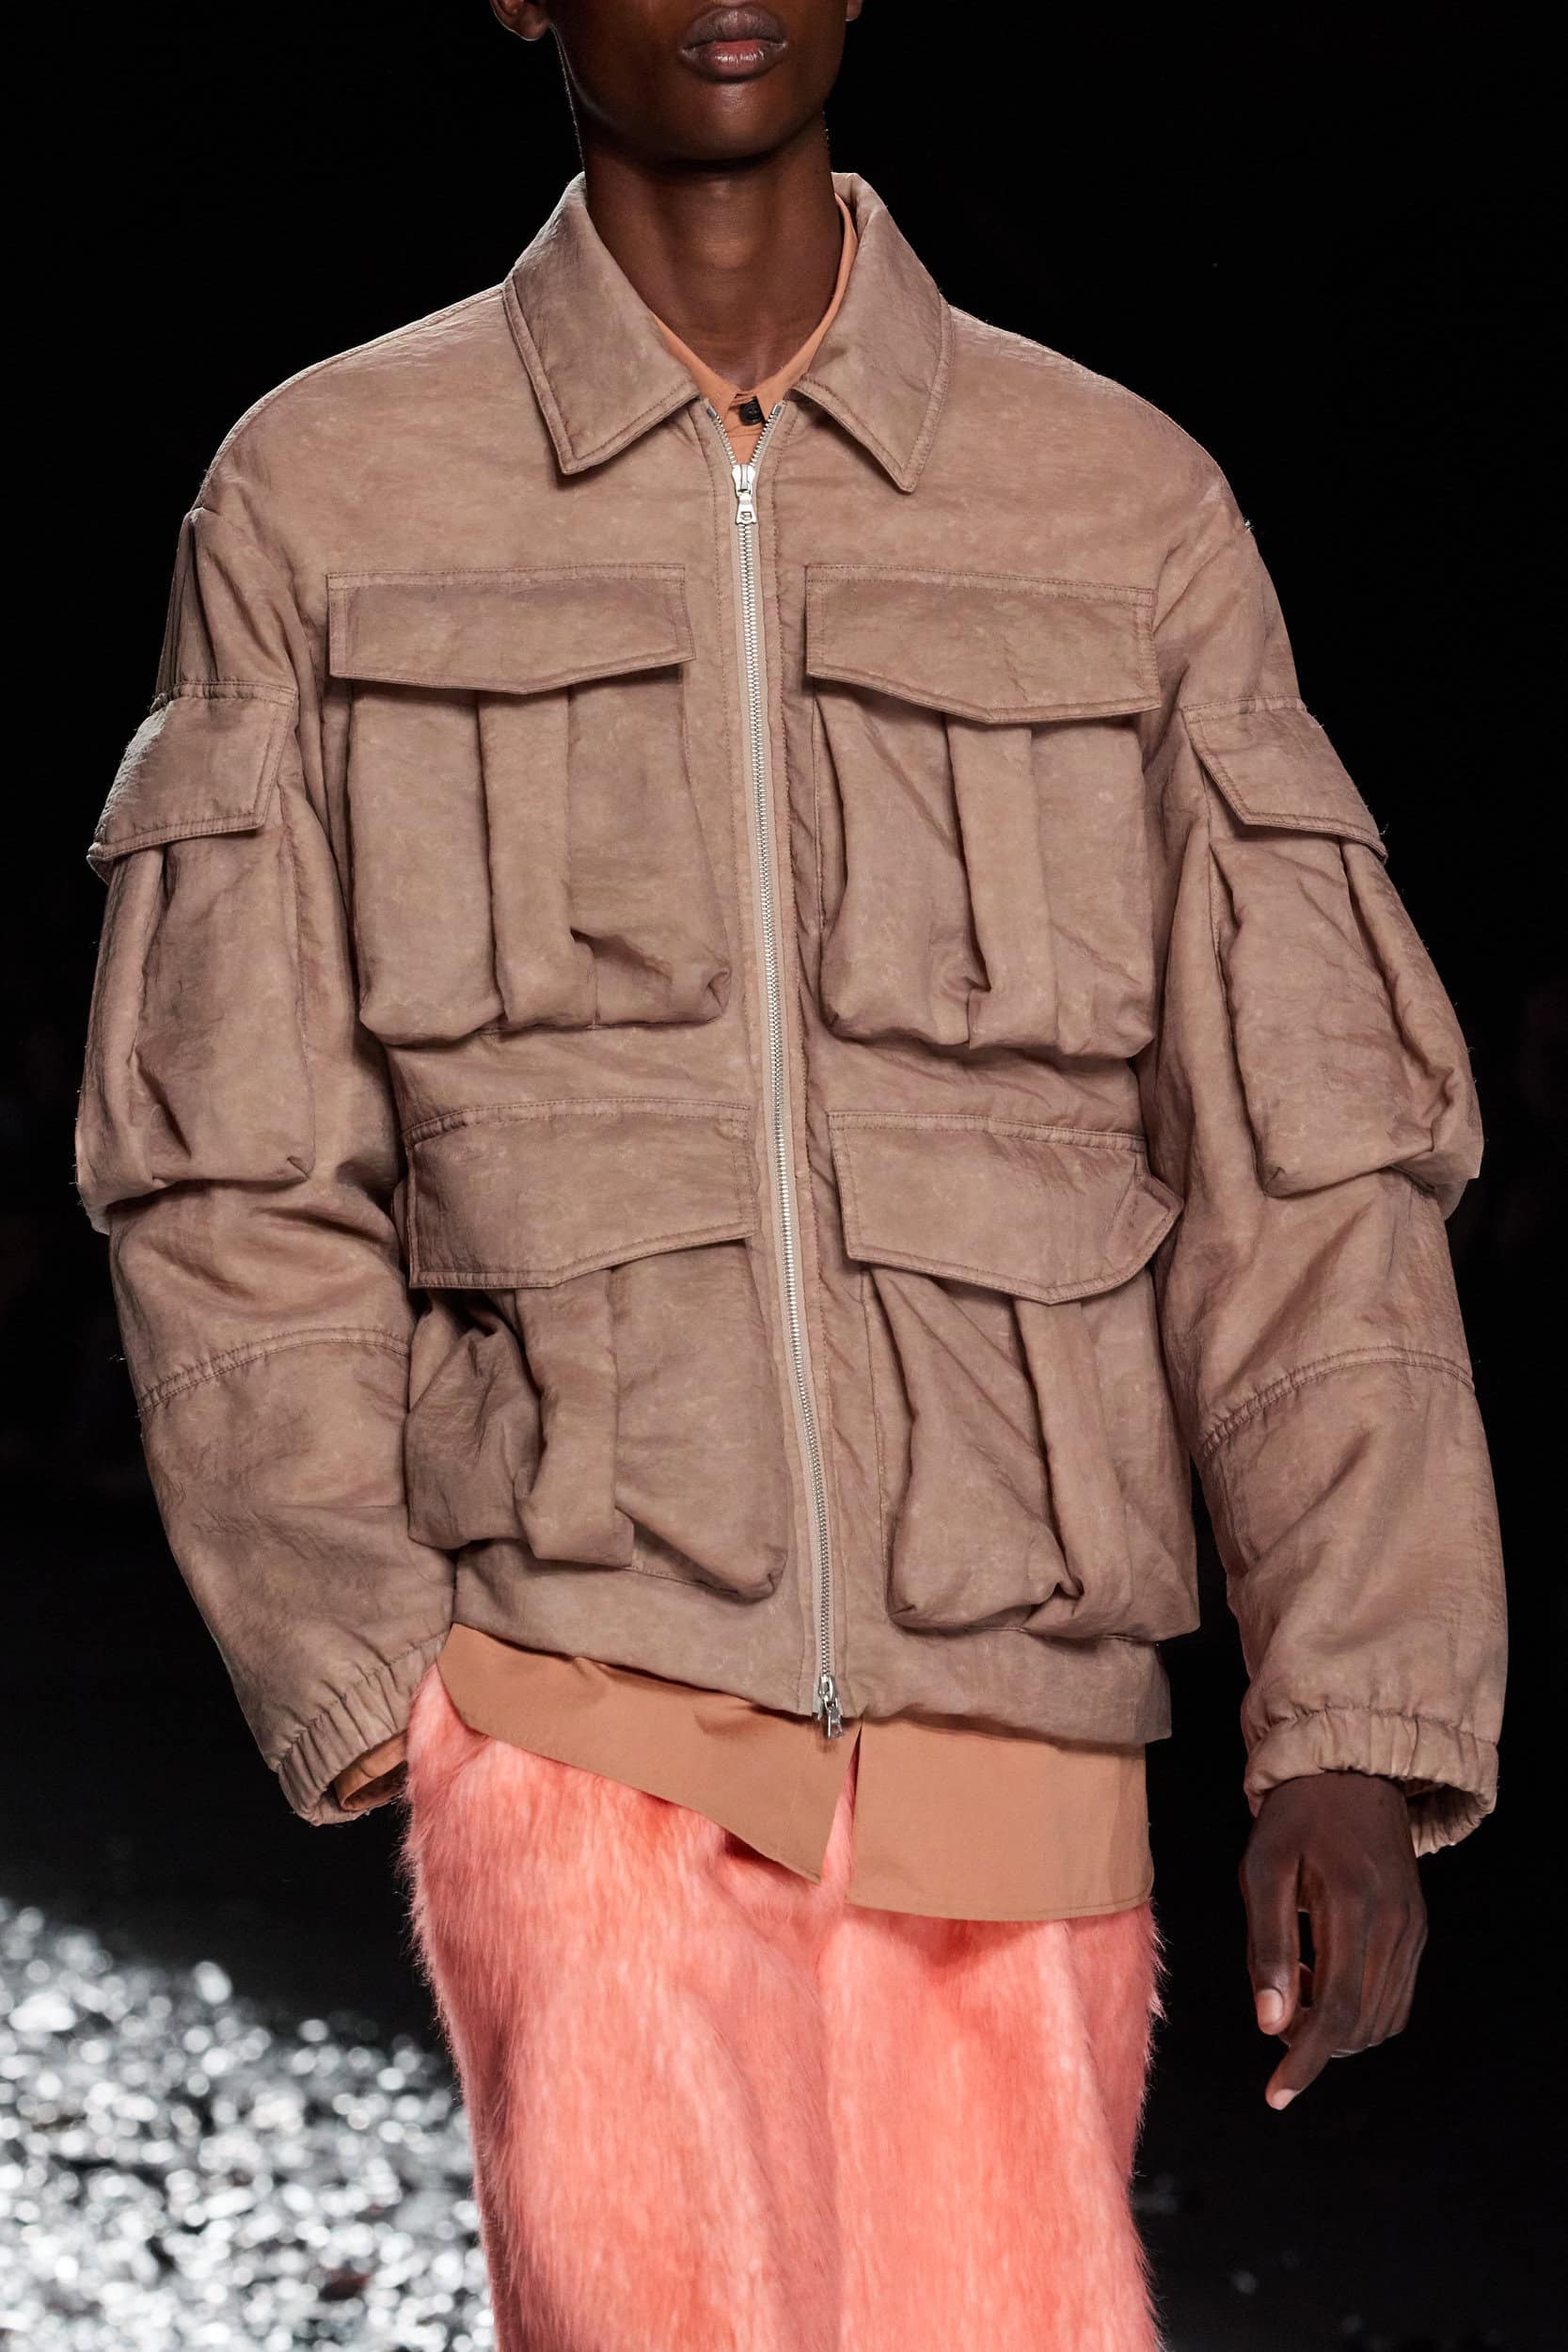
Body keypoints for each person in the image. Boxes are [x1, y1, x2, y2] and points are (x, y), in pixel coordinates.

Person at [73, 2, 1506, 2345]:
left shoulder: (1113, 501)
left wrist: (1354, 1714)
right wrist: (379, 1671)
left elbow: (1303, 1145)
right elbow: (227, 1130)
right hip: (579, 1702)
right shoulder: (333, 489)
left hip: (1019, 1733)